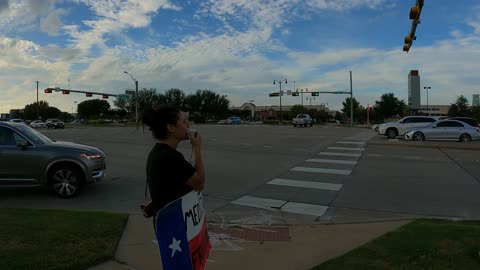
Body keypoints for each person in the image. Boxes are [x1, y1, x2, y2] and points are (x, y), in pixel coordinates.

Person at [142, 104, 206, 219]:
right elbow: (199, 183)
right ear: (171, 128)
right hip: (175, 226)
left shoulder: (159, 152)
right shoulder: (169, 157)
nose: (188, 125)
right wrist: (196, 147)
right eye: (183, 122)